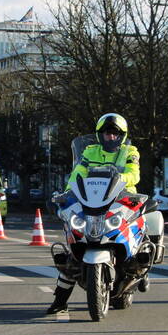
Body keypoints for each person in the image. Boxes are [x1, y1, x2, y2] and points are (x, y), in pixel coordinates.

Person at [47, 113, 140, 314]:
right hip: (92, 198)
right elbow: (78, 172)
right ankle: (60, 300)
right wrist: (68, 192)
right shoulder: (90, 151)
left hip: (121, 197)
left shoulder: (130, 151)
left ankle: (139, 262)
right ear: (100, 135)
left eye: (115, 134)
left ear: (122, 135)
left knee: (133, 228)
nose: (111, 137)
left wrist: (121, 176)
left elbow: (134, 174)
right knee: (75, 245)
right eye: (107, 133)